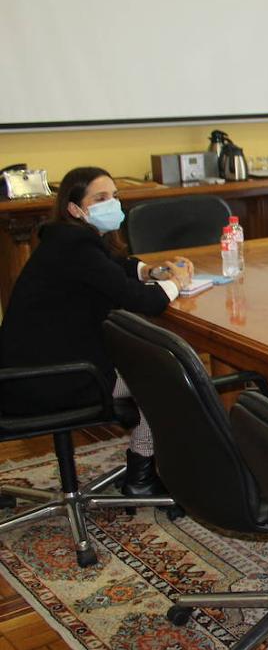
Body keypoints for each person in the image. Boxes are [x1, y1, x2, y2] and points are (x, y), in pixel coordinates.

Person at [0, 167, 194, 496]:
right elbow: (144, 302)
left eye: (115, 196)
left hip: (24, 373)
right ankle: (141, 474)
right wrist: (176, 283)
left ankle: (142, 466)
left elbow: (111, 267)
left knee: (147, 365)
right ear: (75, 209)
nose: (112, 204)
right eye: (100, 198)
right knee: (168, 377)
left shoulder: (66, 240)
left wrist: (147, 269)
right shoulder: (76, 248)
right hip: (49, 381)